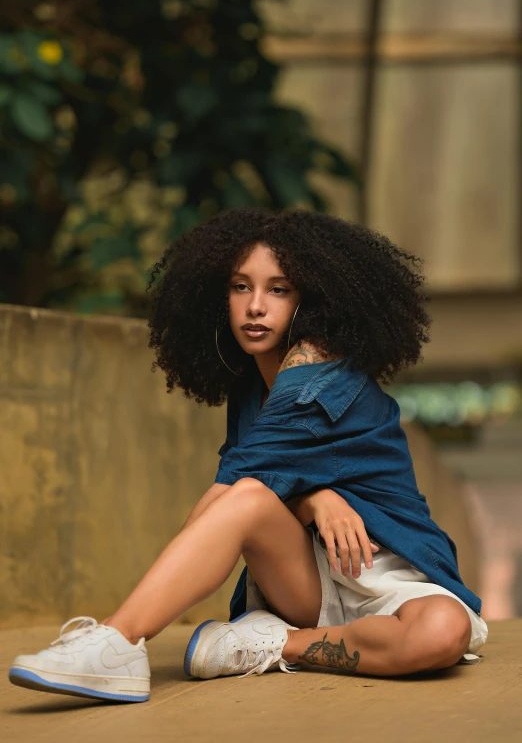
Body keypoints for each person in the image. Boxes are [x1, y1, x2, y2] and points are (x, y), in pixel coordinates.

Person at [8, 208, 488, 703]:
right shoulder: (251, 386)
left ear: (311, 299)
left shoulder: (319, 376)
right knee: (250, 497)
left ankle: (256, 642)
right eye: (241, 287)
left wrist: (165, 588)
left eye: (278, 289)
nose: (255, 306)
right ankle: (118, 643)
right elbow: (251, 496)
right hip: (310, 581)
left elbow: (227, 499)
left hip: (388, 576)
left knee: (442, 632)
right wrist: (314, 500)